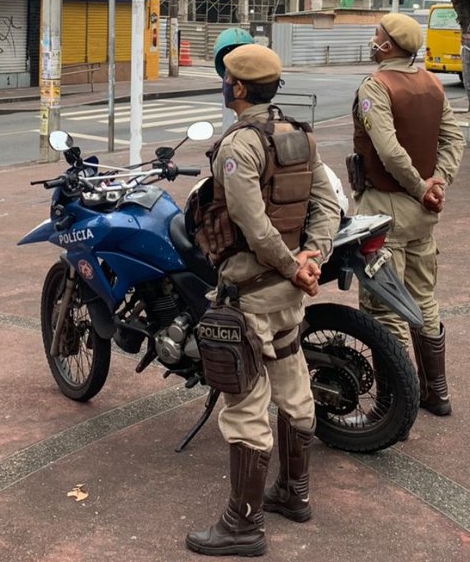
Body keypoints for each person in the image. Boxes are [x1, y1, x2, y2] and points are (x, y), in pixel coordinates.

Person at [187, 43, 342, 557]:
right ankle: (293, 494)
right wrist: (312, 254)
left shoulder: (238, 146)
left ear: (235, 86)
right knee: (293, 384)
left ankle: (242, 526)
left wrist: (296, 262)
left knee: (246, 407)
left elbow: (253, 227)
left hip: (251, 293)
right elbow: (327, 203)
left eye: (225, 79)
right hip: (287, 294)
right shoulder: (297, 134)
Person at [353, 13, 465, 417]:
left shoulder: (376, 87)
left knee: (384, 308)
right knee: (423, 299)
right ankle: (436, 392)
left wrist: (421, 186)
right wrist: (439, 182)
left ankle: (390, 407)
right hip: (423, 214)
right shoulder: (432, 83)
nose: (373, 39)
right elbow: (454, 137)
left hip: (385, 210)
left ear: (390, 45)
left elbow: (388, 150)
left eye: (378, 34)